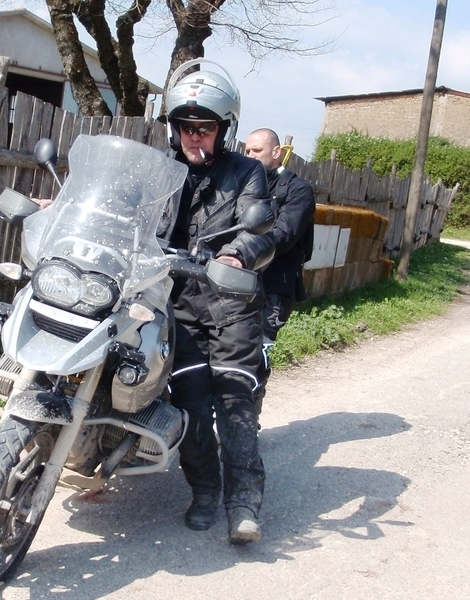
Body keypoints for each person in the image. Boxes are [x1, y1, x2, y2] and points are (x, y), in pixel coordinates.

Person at [156, 60, 275, 544]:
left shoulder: (247, 172)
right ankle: (204, 492)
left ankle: (243, 503)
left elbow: (261, 234)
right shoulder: (159, 170)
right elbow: (119, 207)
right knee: (189, 404)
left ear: (224, 128)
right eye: (186, 128)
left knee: (234, 402)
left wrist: (237, 254)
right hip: (175, 307)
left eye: (203, 128)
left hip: (231, 307)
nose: (193, 137)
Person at [244, 128, 315, 415]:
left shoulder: (298, 190)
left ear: (276, 152)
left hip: (274, 287)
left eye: (256, 151)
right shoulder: (242, 185)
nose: (249, 156)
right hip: (235, 281)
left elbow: (284, 234)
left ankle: (246, 424)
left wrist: (240, 251)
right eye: (246, 151)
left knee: (257, 354)